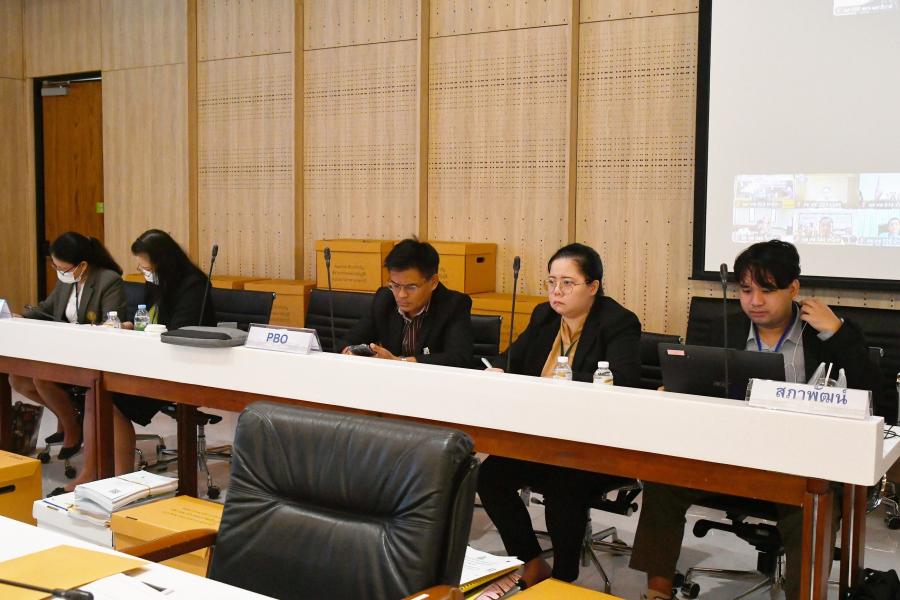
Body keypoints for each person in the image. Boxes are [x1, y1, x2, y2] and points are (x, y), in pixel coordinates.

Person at [630, 240, 884, 600]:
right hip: (730, 454)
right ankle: (657, 591)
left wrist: (837, 333)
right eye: (746, 290)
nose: (755, 301)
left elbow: (878, 398)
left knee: (814, 508)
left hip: (802, 463)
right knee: (663, 479)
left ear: (793, 288)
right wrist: (674, 390)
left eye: (768, 290)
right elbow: (697, 389)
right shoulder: (724, 328)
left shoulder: (826, 334)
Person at [476, 243, 642, 590]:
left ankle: (564, 578)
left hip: (595, 442)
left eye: (568, 283)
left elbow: (624, 382)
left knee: (564, 482)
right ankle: (532, 561)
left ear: (593, 286)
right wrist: (499, 370)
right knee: (489, 477)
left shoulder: (618, 322)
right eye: (551, 282)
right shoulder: (545, 316)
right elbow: (512, 358)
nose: (556, 291)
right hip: (543, 435)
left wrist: (560, 380)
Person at [59, 229, 216, 493]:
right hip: (150, 362)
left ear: (163, 261)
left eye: (146, 266)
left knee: (113, 400)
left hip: (183, 368)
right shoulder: (158, 282)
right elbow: (148, 319)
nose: (143, 271)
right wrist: (129, 326)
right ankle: (90, 474)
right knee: (95, 393)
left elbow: (179, 331)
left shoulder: (193, 285)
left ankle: (122, 480)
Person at [11, 232, 125, 461]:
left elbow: (113, 322)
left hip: (93, 354)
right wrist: (20, 318)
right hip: (63, 351)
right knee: (18, 379)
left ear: (82, 265)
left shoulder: (108, 280)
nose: (58, 272)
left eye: (62, 268)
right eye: (55, 266)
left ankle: (72, 428)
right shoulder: (67, 281)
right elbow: (46, 308)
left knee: (42, 378)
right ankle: (68, 415)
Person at [340, 238, 473, 367]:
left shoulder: (454, 305)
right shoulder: (385, 299)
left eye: (411, 287)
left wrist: (398, 361)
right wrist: (351, 352)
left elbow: (459, 358)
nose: (401, 295)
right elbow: (348, 340)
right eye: (395, 285)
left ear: (433, 282)